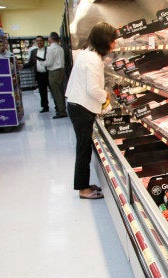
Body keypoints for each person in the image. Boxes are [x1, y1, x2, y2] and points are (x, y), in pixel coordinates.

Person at [65, 22, 117, 199]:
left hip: (76, 104)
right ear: (105, 41)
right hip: (81, 108)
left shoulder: (87, 53)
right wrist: (106, 97)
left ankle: (84, 184)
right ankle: (83, 189)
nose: (114, 44)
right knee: (83, 148)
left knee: (83, 147)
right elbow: (93, 90)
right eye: (113, 40)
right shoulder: (93, 60)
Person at [39, 32, 67, 119]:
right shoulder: (60, 48)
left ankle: (61, 111)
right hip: (61, 71)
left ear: (50, 39)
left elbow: (49, 63)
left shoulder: (50, 49)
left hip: (54, 72)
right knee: (61, 91)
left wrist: (41, 62)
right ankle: (62, 109)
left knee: (56, 92)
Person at [22, 36, 50, 112]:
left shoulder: (48, 50)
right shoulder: (34, 51)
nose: (39, 42)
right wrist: (22, 66)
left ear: (44, 42)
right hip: (39, 74)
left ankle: (58, 108)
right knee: (42, 91)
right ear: (35, 42)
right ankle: (45, 107)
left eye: (40, 41)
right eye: (37, 41)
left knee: (53, 91)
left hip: (49, 73)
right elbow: (31, 63)